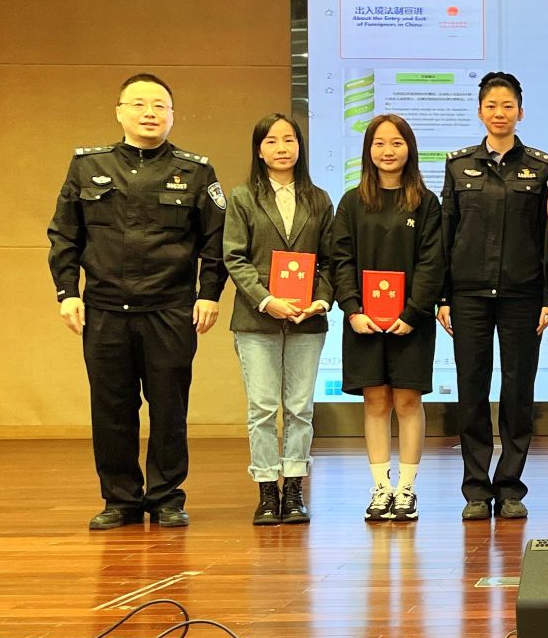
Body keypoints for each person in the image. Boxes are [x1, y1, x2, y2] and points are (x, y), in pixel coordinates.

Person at [48, 73, 225, 531]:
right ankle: (120, 499)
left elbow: (215, 241)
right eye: (140, 104)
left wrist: (209, 293)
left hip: (170, 309)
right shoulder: (87, 165)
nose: (150, 113)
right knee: (112, 408)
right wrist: (68, 292)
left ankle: (166, 498)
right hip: (106, 308)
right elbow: (64, 234)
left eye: (160, 106)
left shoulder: (196, 171)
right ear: (120, 111)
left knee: (170, 409)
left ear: (172, 115)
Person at [439, 72, 548, 522]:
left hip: (522, 295)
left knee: (517, 391)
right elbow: (446, 233)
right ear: (480, 112)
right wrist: (443, 298)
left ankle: (510, 486)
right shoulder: (458, 166)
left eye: (507, 105)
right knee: (472, 390)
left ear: (520, 112)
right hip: (468, 295)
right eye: (491, 105)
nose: (499, 113)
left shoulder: (541, 167)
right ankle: (475, 489)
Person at [325, 113, 445, 523]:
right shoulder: (351, 202)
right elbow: (340, 259)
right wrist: (352, 309)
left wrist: (413, 311)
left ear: (409, 149)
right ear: (368, 151)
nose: (388, 151)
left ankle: (407, 489)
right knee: (375, 400)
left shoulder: (426, 203)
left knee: (408, 400)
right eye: (379, 143)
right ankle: (381, 488)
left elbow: (432, 261)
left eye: (396, 142)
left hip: (412, 321)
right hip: (363, 321)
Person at [222, 112, 335, 526]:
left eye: (289, 140)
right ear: (259, 150)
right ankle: (267, 490)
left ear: (300, 147)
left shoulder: (319, 199)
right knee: (263, 407)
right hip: (257, 320)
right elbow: (234, 256)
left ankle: (294, 489)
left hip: (307, 319)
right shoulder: (242, 197)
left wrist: (320, 301)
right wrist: (266, 300)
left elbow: (332, 260)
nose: (282, 148)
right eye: (271, 141)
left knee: (300, 408)